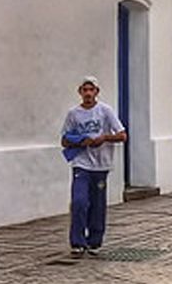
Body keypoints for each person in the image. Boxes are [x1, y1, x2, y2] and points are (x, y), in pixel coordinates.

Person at [60, 76, 127, 257]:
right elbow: (64, 140)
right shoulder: (73, 114)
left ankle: (94, 241)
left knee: (97, 205)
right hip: (81, 164)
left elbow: (122, 135)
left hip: (101, 165)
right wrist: (80, 141)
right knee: (79, 201)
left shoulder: (105, 111)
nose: (88, 93)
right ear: (80, 92)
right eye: (85, 90)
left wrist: (104, 138)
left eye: (91, 90)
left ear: (97, 92)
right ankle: (77, 241)